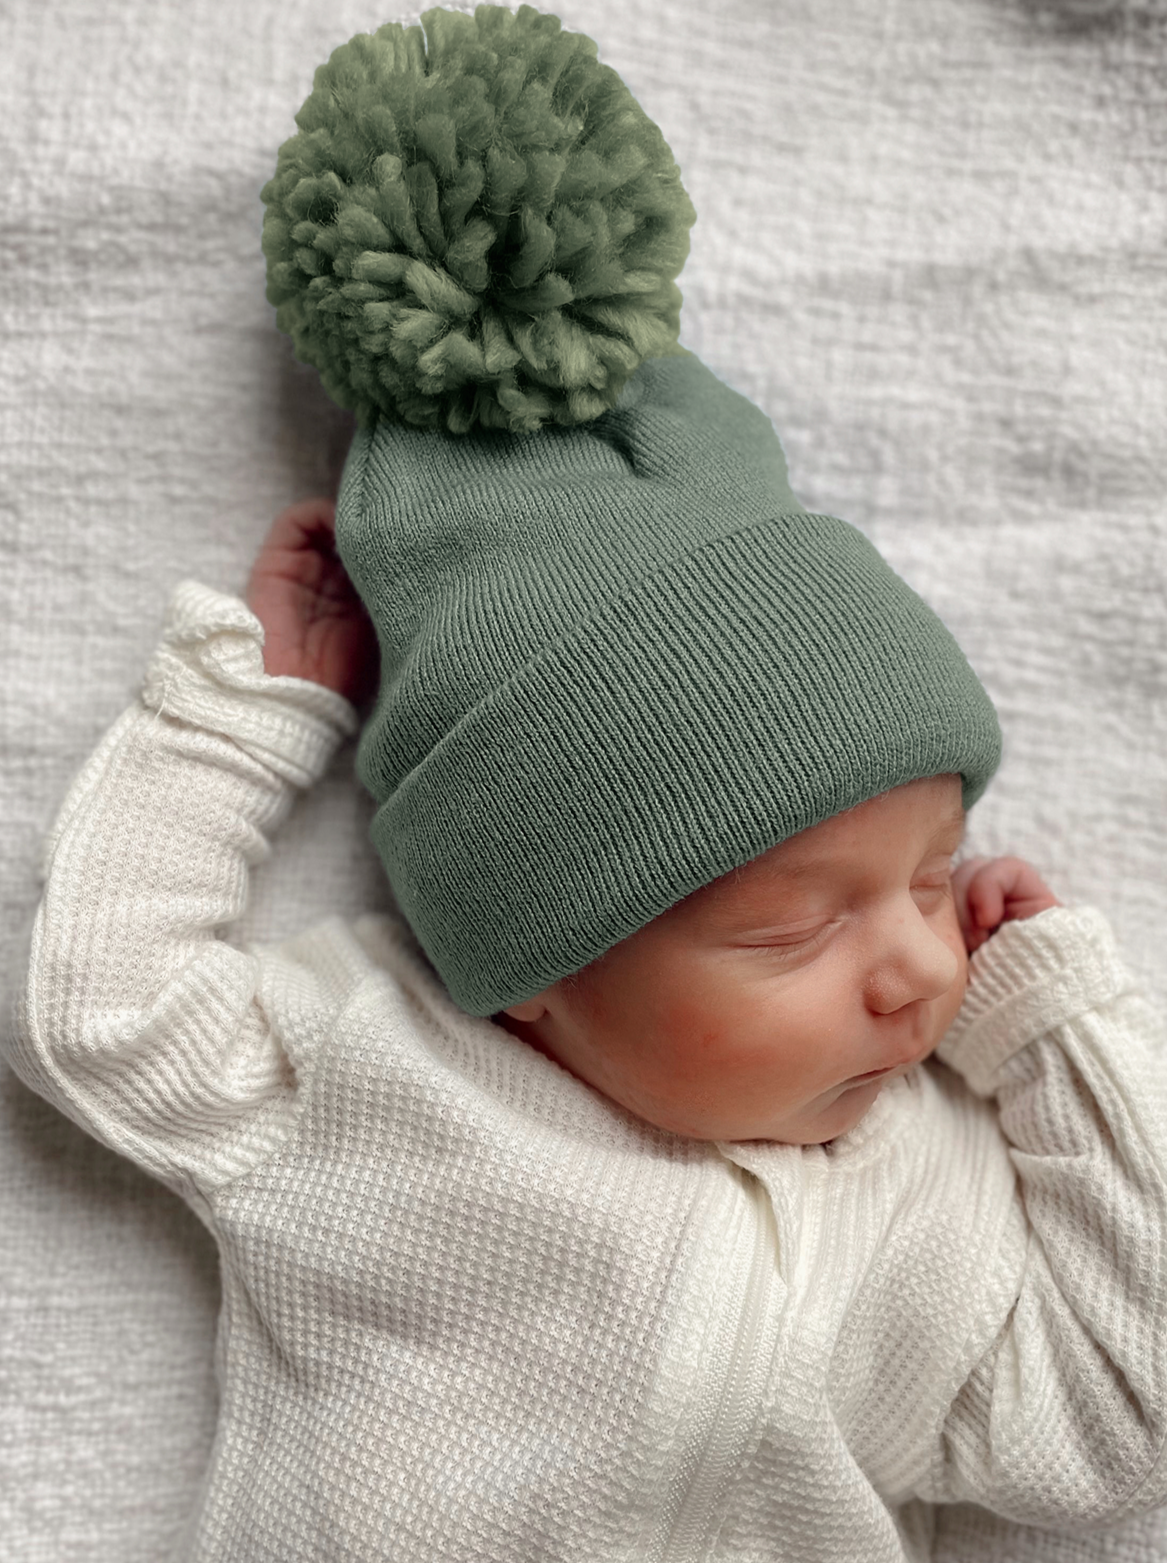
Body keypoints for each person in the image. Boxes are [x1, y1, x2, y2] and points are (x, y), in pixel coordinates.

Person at [9, 6, 1167, 1559]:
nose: (914, 971)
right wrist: (241, 721)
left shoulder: (922, 1197)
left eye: (927, 876)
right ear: (532, 969)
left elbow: (1117, 1430)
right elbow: (101, 1008)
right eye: (788, 928)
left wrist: (1057, 1040)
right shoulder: (374, 1083)